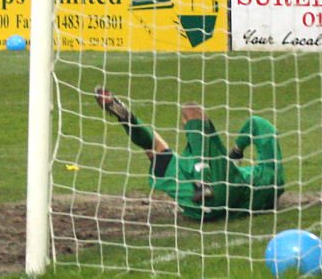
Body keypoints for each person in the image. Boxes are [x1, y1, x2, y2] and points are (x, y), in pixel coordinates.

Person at [94, 86, 285, 220]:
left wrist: (236, 151)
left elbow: (258, 124)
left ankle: (128, 119)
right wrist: (236, 152)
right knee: (162, 147)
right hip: (230, 198)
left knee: (185, 117)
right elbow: (259, 126)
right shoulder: (271, 182)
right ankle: (202, 180)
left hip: (205, 202)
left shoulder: (183, 167)